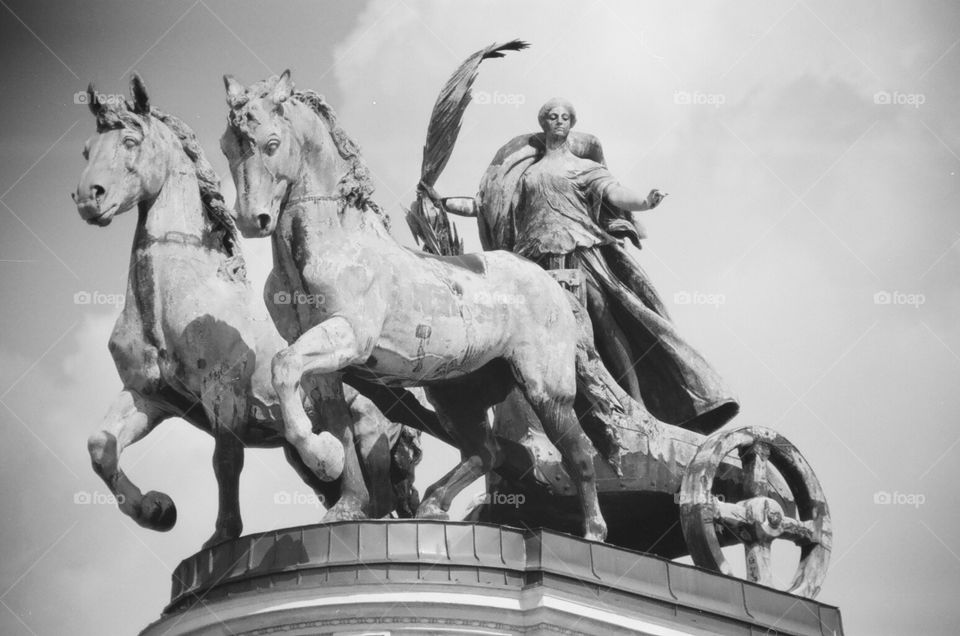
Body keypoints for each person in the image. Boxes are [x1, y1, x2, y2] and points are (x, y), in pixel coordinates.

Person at [441, 98, 738, 434]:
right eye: (552, 117)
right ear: (544, 123)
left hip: (581, 252)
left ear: (571, 123)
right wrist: (443, 203)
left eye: (564, 117)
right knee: (532, 333)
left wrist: (645, 202)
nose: (558, 122)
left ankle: (636, 402)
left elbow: (615, 193)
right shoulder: (528, 175)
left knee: (603, 317)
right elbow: (486, 207)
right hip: (536, 262)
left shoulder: (583, 168)